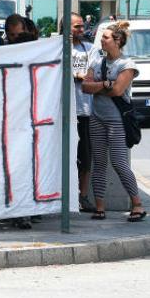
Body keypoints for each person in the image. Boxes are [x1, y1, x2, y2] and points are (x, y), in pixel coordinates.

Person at [82, 22, 146, 221]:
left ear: (118, 41)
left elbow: (118, 90)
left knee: (119, 162)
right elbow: (85, 86)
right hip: (97, 117)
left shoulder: (127, 64)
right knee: (98, 162)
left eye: (106, 37)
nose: (102, 40)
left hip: (117, 120)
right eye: (102, 37)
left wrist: (98, 86)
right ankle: (100, 207)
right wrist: (106, 84)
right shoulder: (96, 62)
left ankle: (137, 204)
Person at [70, 13, 95, 212]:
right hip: (64, 113)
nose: (81, 30)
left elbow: (91, 75)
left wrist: (79, 76)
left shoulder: (90, 49)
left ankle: (83, 195)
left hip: (85, 111)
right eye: (76, 26)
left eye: (81, 26)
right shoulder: (56, 48)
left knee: (85, 157)